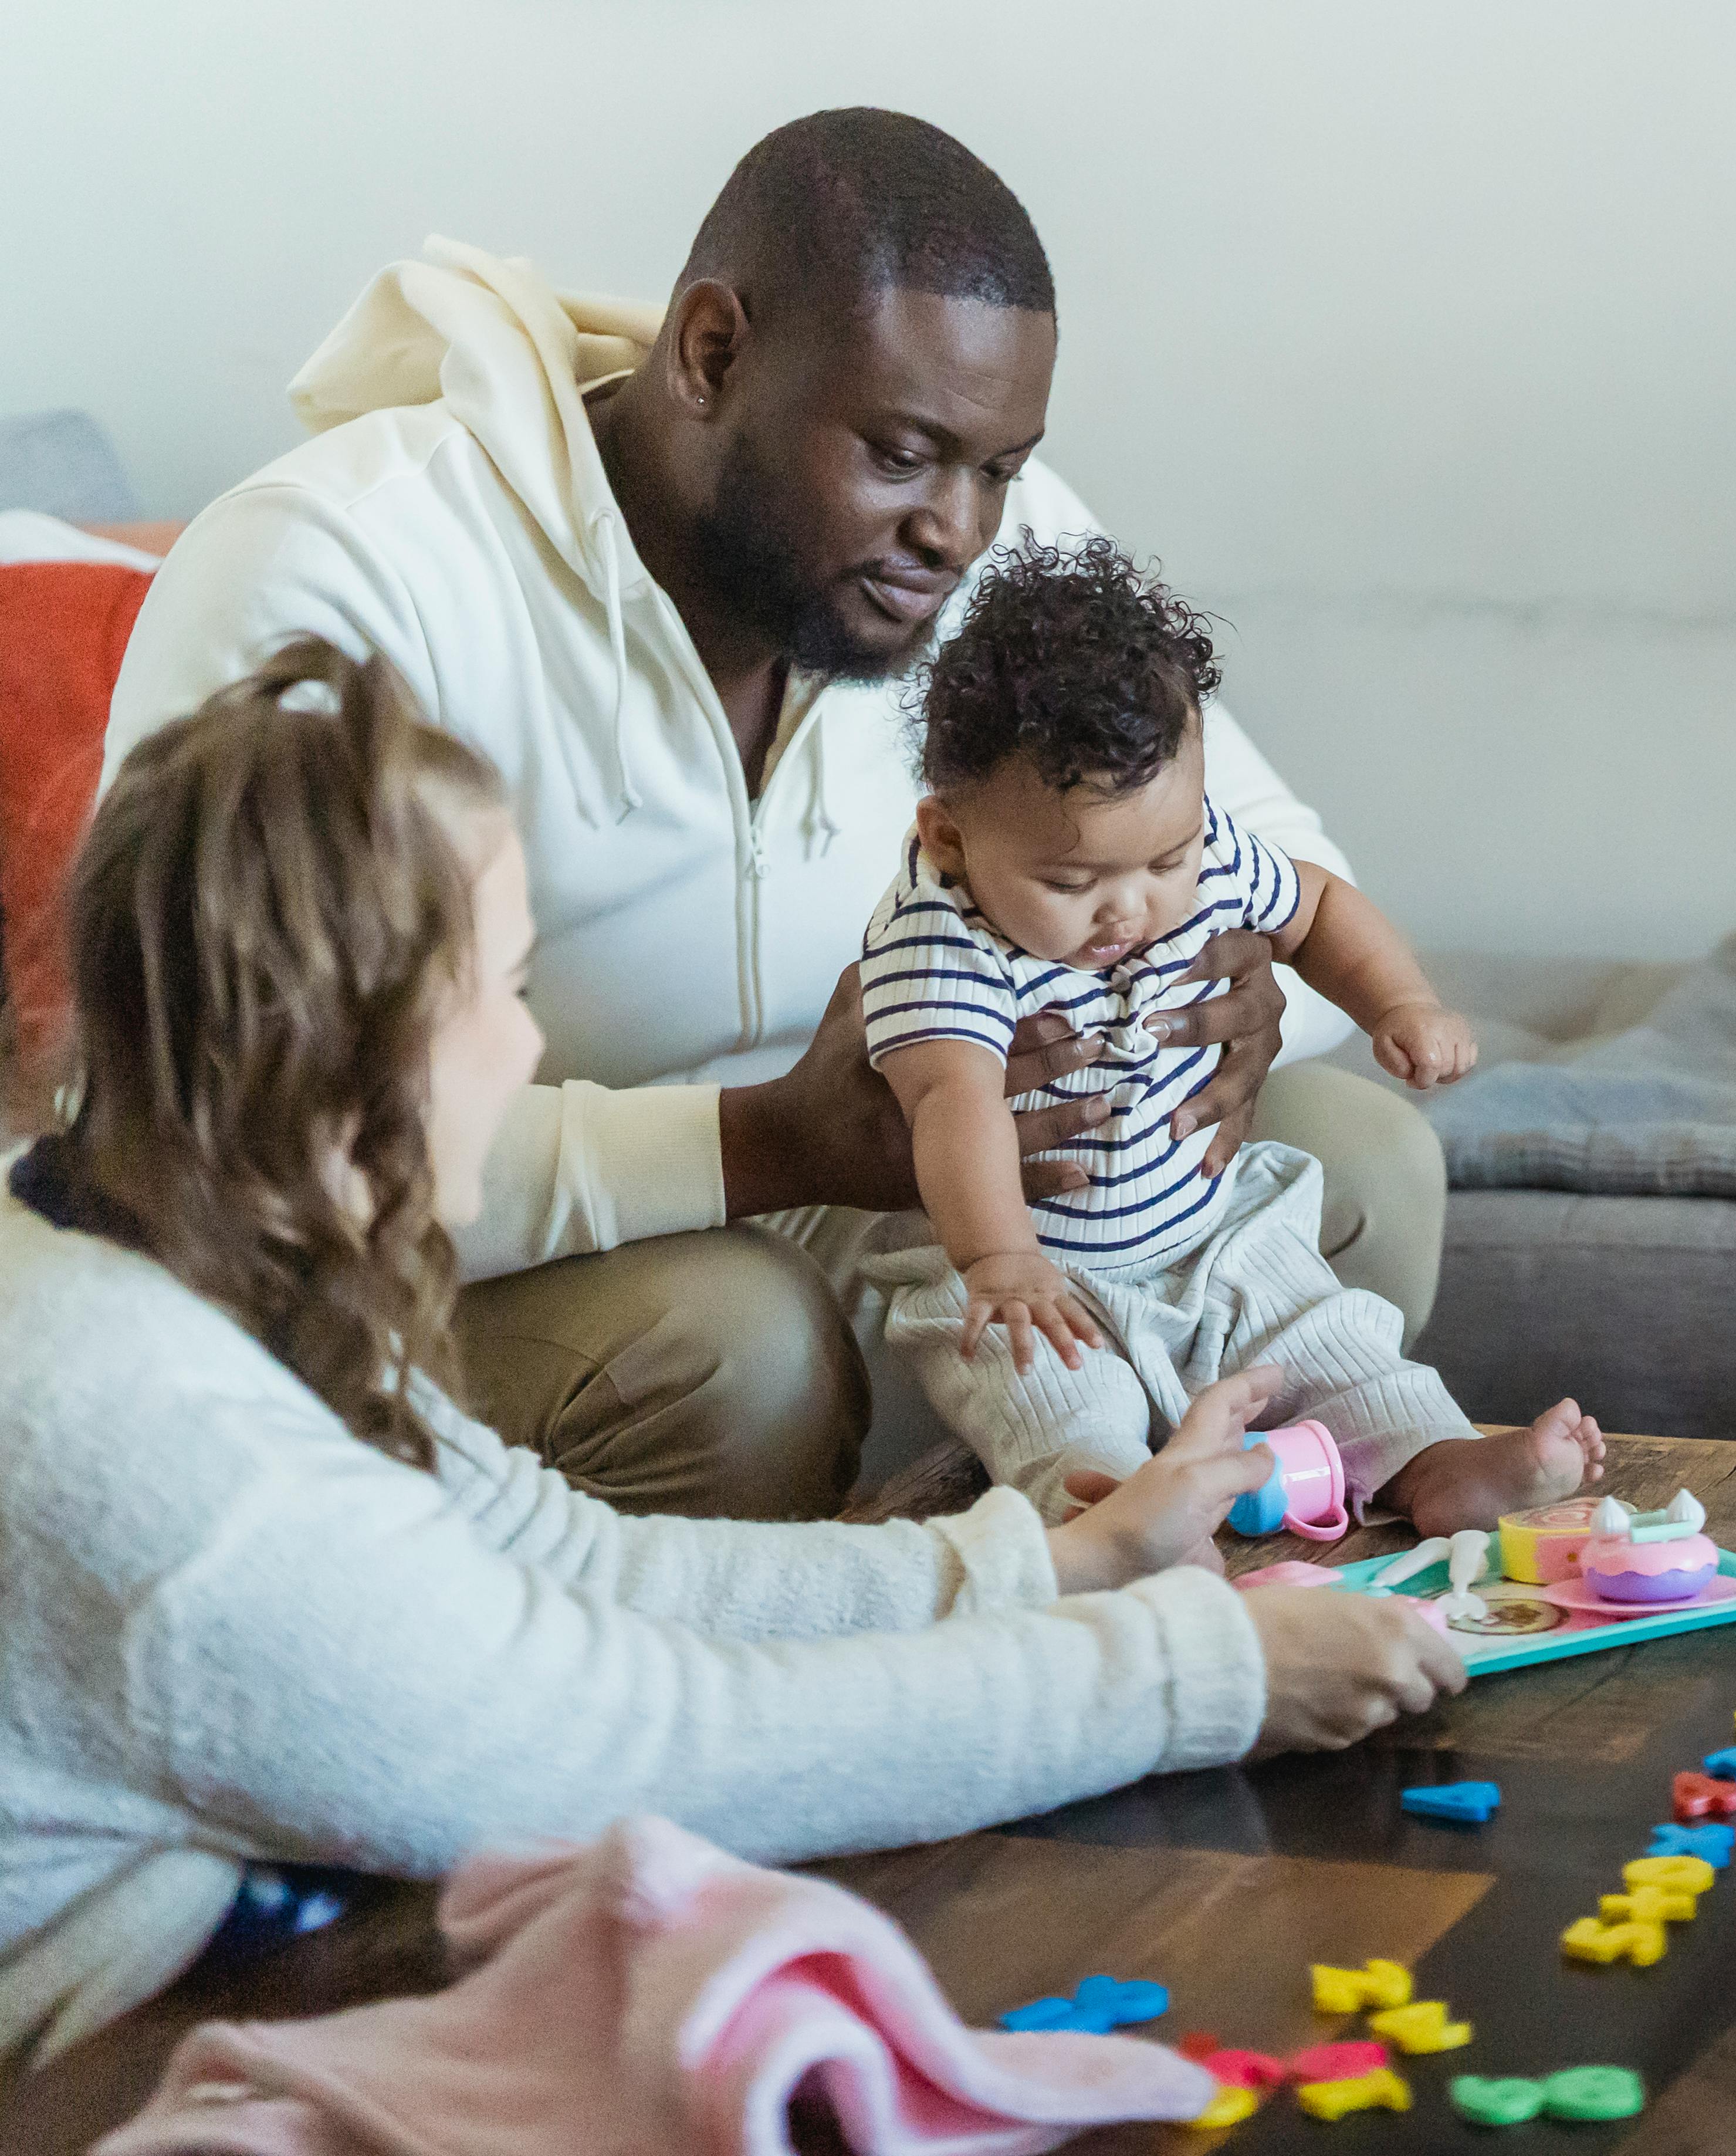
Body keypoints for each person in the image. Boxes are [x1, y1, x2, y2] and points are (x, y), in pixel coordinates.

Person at [0, 641, 1463, 2069]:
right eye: (502, 995)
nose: (524, 1055)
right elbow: (640, 1741)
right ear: (347, 1051)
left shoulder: (169, 1253)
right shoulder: (150, 1445)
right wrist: (1196, 1671)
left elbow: (580, 1568)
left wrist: (1056, 1563)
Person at [100, 108, 1450, 1522]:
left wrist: (1239, 1007)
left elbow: (1284, 857)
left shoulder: (987, 537)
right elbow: (224, 1150)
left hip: (925, 1209)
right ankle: (754, 1691)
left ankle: (1185, 1634)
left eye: (995, 467)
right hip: (475, 1279)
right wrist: (761, 1145)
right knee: (737, 1334)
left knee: (1366, 1164)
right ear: (712, 355)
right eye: (903, 452)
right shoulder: (346, 571)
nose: (962, 532)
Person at [856, 536, 1603, 1528]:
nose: (1128, 910)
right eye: (1071, 885)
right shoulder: (937, 935)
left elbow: (1317, 906)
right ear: (950, 834)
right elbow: (954, 1102)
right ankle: (1115, 1523)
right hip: (1038, 1274)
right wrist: (1000, 1261)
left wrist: (1401, 1002)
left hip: (1213, 1232)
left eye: (1163, 859)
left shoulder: (1204, 860)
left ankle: (1439, 1460)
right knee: (1059, 1406)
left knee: (1334, 1340)